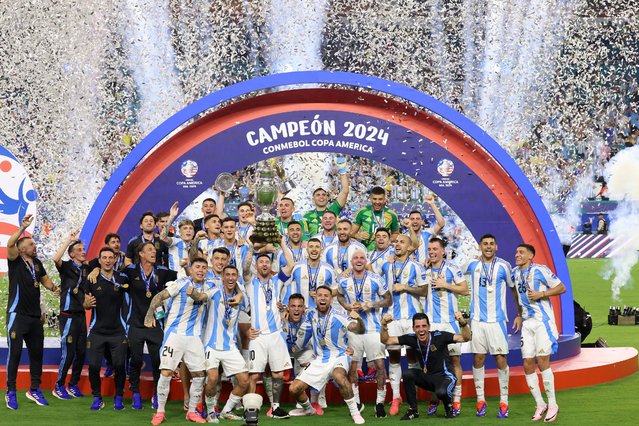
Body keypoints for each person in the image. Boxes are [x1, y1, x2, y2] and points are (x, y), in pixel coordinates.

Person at [144, 257, 213, 425]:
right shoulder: (180, 283)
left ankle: (191, 412)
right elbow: (160, 296)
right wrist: (149, 314)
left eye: (204, 267)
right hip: (174, 335)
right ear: (191, 268)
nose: (201, 270)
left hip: (194, 337)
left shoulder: (210, 286)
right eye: (197, 266)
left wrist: (194, 294)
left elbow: (202, 297)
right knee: (166, 372)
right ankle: (160, 412)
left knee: (199, 376)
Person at [287, 286, 367, 425]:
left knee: (339, 376)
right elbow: (300, 340)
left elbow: (359, 330)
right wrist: (285, 321)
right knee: (294, 389)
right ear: (315, 298)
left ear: (331, 299)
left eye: (326, 296)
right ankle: (308, 409)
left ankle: (355, 412)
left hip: (339, 355)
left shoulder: (339, 316)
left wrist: (359, 320)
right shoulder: (311, 316)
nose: (323, 298)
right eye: (320, 295)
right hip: (319, 359)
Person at [5, 214, 60, 410]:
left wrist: (55, 289)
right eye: (31, 244)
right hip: (17, 315)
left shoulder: (37, 264)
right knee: (16, 353)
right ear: (21, 249)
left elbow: (44, 279)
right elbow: (10, 244)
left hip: (35, 317)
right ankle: (11, 391)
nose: (34, 246)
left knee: (37, 354)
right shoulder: (15, 260)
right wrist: (22, 228)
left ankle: (34, 389)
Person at [464, 234, 519, 418]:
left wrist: (519, 314)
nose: (488, 247)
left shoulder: (504, 266)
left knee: (500, 359)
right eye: (485, 244)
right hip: (478, 321)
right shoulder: (472, 265)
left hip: (497, 321)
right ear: (480, 246)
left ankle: (504, 401)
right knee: (478, 358)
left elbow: (513, 289)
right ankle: (481, 399)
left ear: (496, 247)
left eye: (491, 244)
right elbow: (453, 272)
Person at [380, 312, 471, 420]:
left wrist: (463, 323)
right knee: (407, 374)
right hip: (429, 377)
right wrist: (384, 325)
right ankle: (413, 410)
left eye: (424, 326)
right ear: (413, 329)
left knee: (441, 392)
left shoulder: (440, 336)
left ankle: (448, 407)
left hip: (445, 377)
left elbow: (466, 337)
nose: (421, 329)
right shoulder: (412, 338)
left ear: (429, 327)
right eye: (417, 326)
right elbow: (386, 340)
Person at [512, 243, 566, 422]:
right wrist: (519, 314)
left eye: (521, 252)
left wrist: (542, 294)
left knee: (543, 361)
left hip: (543, 322)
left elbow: (561, 287)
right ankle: (540, 403)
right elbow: (515, 293)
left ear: (530, 256)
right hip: (527, 323)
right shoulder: (515, 273)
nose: (517, 254)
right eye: (517, 252)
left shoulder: (540, 270)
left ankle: (553, 404)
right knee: (527, 362)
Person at [336, 250, 392, 418]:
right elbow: (339, 295)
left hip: (373, 329)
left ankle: (379, 403)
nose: (359, 260)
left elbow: (389, 299)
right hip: (354, 329)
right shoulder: (344, 280)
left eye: (362, 258)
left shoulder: (376, 279)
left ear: (365, 261)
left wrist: (372, 304)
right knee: (353, 366)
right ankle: (357, 402)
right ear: (351, 261)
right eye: (356, 258)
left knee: (380, 366)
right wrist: (346, 306)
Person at [122, 242, 177, 410]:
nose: (154, 252)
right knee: (136, 360)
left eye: (155, 249)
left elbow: (183, 277)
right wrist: (95, 269)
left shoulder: (162, 271)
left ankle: (157, 394)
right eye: (150, 250)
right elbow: (112, 276)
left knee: (158, 361)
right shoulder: (130, 270)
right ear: (141, 254)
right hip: (136, 324)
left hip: (155, 324)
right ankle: (136, 393)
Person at [191, 265, 248, 423]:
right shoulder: (215, 292)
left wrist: (241, 295)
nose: (230, 278)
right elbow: (201, 297)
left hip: (230, 346)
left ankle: (227, 410)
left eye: (233, 275)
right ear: (222, 277)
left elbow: (246, 298)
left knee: (244, 381)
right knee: (213, 378)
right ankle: (210, 411)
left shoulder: (240, 295)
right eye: (227, 275)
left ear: (237, 278)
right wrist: (193, 293)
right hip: (211, 345)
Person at [245, 237, 295, 419]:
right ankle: (250, 409)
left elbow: (291, 264)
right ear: (256, 266)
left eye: (267, 262)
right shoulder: (250, 283)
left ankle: (275, 407)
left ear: (270, 265)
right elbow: (244, 267)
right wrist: (252, 247)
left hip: (276, 335)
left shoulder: (277, 280)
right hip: (257, 336)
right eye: (261, 262)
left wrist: (282, 243)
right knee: (254, 374)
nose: (264, 265)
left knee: (278, 373)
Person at [379, 234, 428, 416]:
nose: (397, 244)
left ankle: (412, 397)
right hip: (391, 318)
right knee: (393, 356)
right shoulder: (386, 265)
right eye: (396, 242)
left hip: (410, 319)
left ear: (409, 248)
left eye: (402, 242)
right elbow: (368, 270)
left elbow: (424, 290)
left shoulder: (416, 266)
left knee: (413, 355)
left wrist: (406, 287)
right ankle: (397, 396)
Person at [424, 237, 468, 416]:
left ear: (443, 251)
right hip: (432, 323)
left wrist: (445, 285)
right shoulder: (424, 269)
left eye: (435, 249)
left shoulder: (452, 269)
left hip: (450, 322)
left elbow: (464, 289)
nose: (432, 252)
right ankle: (435, 398)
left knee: (454, 361)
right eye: (430, 249)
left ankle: (456, 399)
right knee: (432, 363)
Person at [83, 247, 129, 411]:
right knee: (94, 366)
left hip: (118, 332)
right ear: (100, 260)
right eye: (104, 258)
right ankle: (97, 398)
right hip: (96, 331)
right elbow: (85, 302)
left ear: (115, 259)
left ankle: (118, 397)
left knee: (119, 366)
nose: (108, 260)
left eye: (111, 257)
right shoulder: (91, 279)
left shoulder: (122, 278)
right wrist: (86, 304)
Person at [51, 231, 91, 400]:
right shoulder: (66, 267)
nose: (83, 251)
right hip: (68, 315)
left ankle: (72, 385)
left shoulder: (87, 269)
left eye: (84, 249)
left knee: (81, 352)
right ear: (72, 253)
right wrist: (69, 240)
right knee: (68, 353)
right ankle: (58, 386)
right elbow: (55, 258)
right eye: (79, 249)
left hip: (81, 316)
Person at [284, 238, 336, 308]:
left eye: (317, 247)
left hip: (321, 310)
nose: (314, 249)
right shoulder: (296, 267)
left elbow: (336, 289)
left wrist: (321, 295)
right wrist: (285, 307)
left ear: (321, 250)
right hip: (300, 311)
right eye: (311, 247)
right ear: (307, 249)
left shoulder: (329, 269)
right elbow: (286, 286)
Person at [351, 186, 400, 251]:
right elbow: (351, 233)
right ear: (370, 199)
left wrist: (388, 240)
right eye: (374, 199)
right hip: (366, 252)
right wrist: (357, 235)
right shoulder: (362, 212)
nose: (377, 202)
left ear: (384, 199)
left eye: (380, 199)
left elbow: (396, 234)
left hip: (384, 253)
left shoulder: (392, 215)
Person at [404, 194, 445, 264]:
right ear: (409, 221)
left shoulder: (428, 233)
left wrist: (432, 204)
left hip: (426, 270)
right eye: (412, 219)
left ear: (422, 221)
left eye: (418, 219)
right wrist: (406, 256)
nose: (415, 221)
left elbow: (441, 224)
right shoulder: (404, 237)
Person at [160, 202, 197, 276]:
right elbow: (162, 237)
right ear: (180, 232)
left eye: (190, 228)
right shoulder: (175, 241)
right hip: (175, 278)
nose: (188, 230)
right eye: (185, 228)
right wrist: (171, 217)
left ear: (193, 233)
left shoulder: (196, 246)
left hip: (191, 278)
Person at [219, 217, 252, 282]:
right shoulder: (217, 246)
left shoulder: (243, 248)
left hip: (239, 284)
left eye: (232, 227)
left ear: (236, 229)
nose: (229, 230)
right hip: (221, 283)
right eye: (226, 227)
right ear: (222, 229)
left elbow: (246, 269)